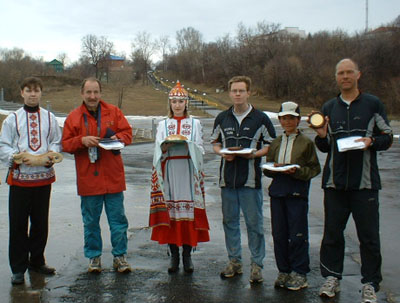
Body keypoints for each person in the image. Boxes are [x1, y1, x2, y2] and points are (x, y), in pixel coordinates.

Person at [312, 59, 392, 303]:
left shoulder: (372, 104)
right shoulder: (329, 106)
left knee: (368, 237)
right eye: (340, 73)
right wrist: (322, 136)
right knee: (332, 234)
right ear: (336, 77)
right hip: (335, 184)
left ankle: (370, 284)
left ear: (359, 74)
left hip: (365, 184)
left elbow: (387, 137)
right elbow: (325, 146)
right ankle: (331, 277)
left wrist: (372, 142)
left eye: (349, 72)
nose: (345, 76)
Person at [62, 77, 133, 274]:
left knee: (118, 221)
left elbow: (128, 134)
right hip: (88, 179)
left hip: (113, 178)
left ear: (100, 93)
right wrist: (81, 140)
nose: (92, 96)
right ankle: (94, 258)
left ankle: (120, 256)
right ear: (82, 94)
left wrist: (116, 138)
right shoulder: (74, 117)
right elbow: (66, 144)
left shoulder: (114, 112)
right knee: (91, 222)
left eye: (96, 92)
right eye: (88, 92)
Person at [211, 76, 276, 283]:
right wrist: (222, 153)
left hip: (251, 181)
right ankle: (234, 261)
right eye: (234, 91)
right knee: (230, 222)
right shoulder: (222, 118)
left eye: (241, 91)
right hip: (227, 180)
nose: (237, 94)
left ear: (249, 92)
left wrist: (254, 155)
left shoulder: (261, 118)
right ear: (229, 93)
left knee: (254, 224)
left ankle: (257, 265)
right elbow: (215, 143)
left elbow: (270, 145)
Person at [0, 77, 62, 285]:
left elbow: (56, 140)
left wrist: (51, 155)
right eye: (29, 90)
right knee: (18, 225)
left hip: (43, 180)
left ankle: (37, 261)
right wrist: (16, 156)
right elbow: (3, 145)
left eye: (36, 90)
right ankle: (18, 268)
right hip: (19, 180)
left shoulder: (50, 118)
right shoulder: (12, 119)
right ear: (22, 93)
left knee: (40, 223)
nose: (33, 94)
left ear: (41, 93)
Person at [149, 81, 210, 273]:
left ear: (186, 103)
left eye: (180, 101)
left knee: (188, 212)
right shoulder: (163, 125)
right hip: (170, 170)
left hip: (188, 169)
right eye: (174, 101)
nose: (177, 105)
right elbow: (157, 149)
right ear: (170, 103)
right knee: (172, 211)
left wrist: (189, 144)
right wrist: (164, 147)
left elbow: (201, 149)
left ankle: (187, 255)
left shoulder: (195, 123)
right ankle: (173, 255)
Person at [264, 101, 320, 291]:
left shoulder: (306, 143)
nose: (288, 121)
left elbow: (314, 169)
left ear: (298, 120)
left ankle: (300, 272)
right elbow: (269, 167)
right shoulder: (277, 142)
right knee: (279, 234)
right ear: (279, 119)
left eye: (291, 118)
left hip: (297, 193)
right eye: (284, 118)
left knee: (297, 234)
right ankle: (284, 270)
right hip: (278, 192)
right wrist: (274, 170)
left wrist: (296, 171)